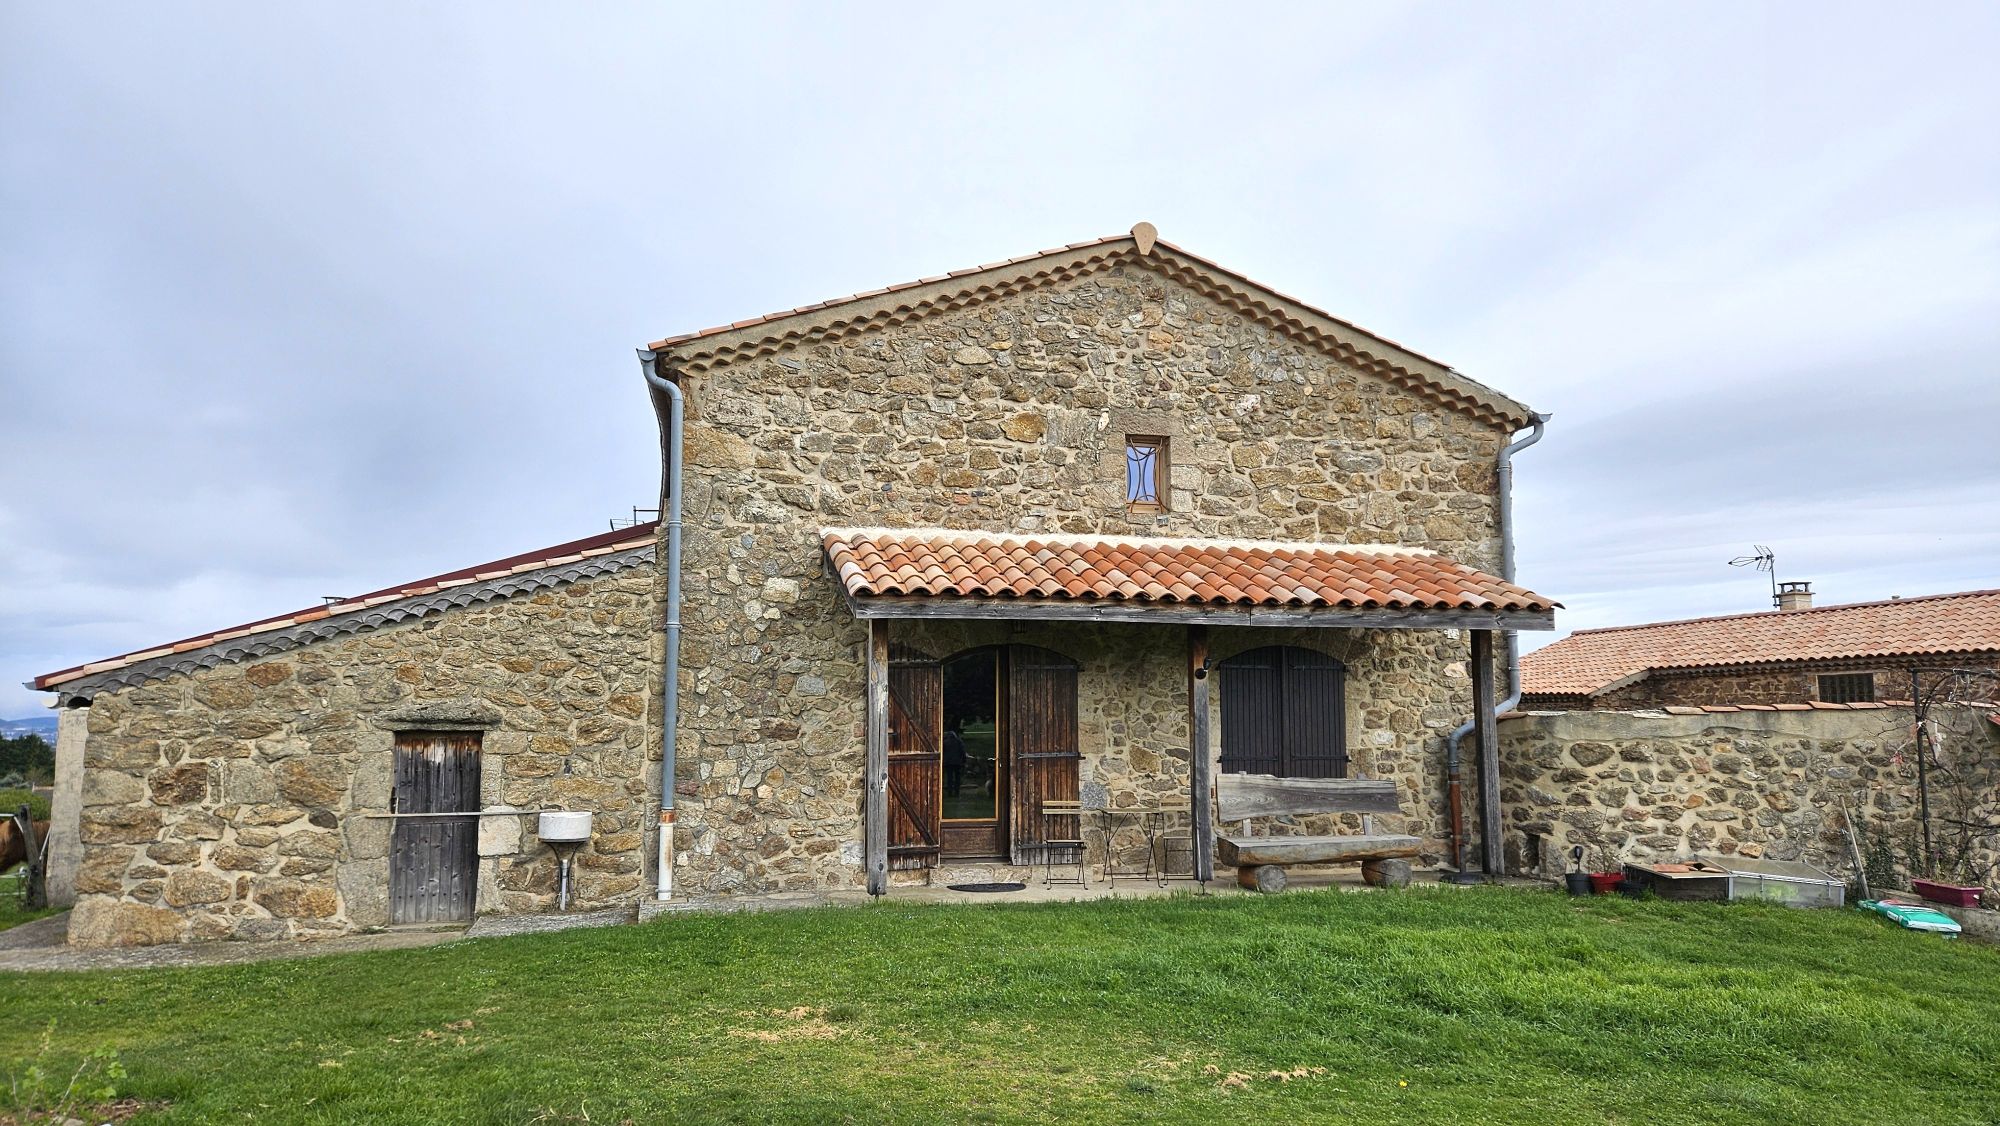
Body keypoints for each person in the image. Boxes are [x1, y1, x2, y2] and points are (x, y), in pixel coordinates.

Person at [942, 721, 967, 797]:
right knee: (957, 778)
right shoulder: (959, 742)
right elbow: (963, 752)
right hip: (957, 762)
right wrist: (964, 760)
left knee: (949, 778)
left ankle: (950, 792)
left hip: (948, 762)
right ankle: (957, 792)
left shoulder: (945, 742)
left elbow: (943, 752)